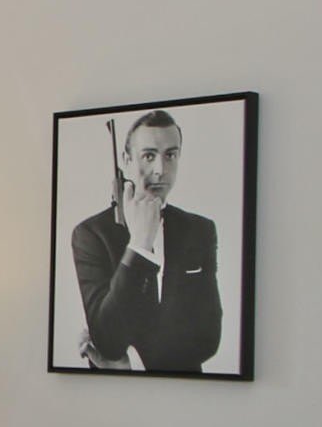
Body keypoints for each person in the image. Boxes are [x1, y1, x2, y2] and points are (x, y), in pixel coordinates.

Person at [71, 110, 222, 373]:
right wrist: (140, 244)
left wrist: (134, 362)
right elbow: (108, 341)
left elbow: (208, 339)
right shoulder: (90, 235)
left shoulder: (200, 230)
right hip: (111, 393)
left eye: (170, 155)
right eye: (149, 156)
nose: (160, 170)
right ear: (127, 160)